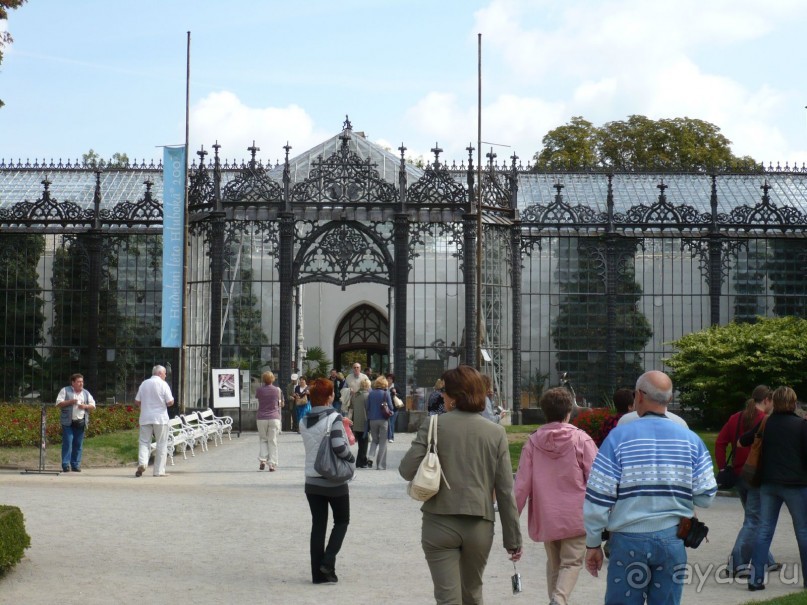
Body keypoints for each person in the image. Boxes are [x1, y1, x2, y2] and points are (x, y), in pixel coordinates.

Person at [583, 370, 716, 604]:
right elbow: (705, 496)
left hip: (627, 541)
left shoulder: (618, 438)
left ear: (639, 396)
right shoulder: (691, 440)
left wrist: (593, 543)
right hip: (672, 541)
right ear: (669, 399)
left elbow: (598, 497)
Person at [399, 365, 523, 604]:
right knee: (473, 593)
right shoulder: (496, 433)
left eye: (445, 391)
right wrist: (513, 540)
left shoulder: (433, 425)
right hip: (479, 523)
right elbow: (506, 491)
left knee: (447, 597)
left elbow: (406, 470)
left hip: (438, 521)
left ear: (455, 396)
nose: (442, 395)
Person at [514, 387, 598, 605]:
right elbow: (596, 481)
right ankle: (559, 600)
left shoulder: (532, 443)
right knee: (571, 563)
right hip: (576, 514)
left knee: (554, 563)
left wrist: (512, 517)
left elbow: (521, 485)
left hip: (547, 514)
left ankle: (556, 600)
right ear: (569, 411)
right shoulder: (582, 440)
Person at [746, 386, 807, 592]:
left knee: (764, 531)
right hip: (796, 484)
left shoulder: (767, 422)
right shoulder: (801, 425)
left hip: (768, 483)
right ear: (793, 402)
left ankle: (755, 579)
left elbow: (746, 440)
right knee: (803, 531)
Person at [716, 385, 778, 577]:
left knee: (753, 519)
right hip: (755, 476)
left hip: (738, 475)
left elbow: (720, 442)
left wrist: (723, 467)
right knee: (753, 520)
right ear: (767, 400)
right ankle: (736, 564)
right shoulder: (765, 421)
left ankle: (767, 560)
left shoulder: (736, 418)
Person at [300, 378, 355, 584]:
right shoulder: (334, 418)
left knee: (318, 526)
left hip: (312, 480)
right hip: (334, 481)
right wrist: (351, 459)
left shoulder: (303, 421)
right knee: (341, 521)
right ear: (330, 396)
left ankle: (317, 574)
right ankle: (328, 561)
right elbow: (340, 446)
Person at [134, 365, 175, 478]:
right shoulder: (163, 384)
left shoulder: (144, 384)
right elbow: (170, 402)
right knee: (161, 443)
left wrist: (146, 405)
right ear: (160, 373)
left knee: (144, 442)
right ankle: (158, 471)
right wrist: (165, 403)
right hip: (160, 418)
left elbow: (137, 401)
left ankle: (142, 463)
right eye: (165, 373)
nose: (165, 375)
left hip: (145, 417)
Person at [55, 373, 96, 472]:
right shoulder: (65, 390)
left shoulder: (86, 393)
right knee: (68, 443)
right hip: (68, 422)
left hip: (80, 422)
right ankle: (65, 464)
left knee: (78, 444)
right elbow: (58, 403)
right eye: (78, 382)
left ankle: (75, 465)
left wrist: (85, 406)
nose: (81, 384)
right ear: (73, 382)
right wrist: (71, 401)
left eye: (82, 381)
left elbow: (93, 406)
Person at [256, 371, 283, 472]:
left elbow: (258, 398)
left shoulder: (259, 390)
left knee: (263, 439)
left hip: (261, 417)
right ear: (273, 379)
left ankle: (263, 460)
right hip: (274, 417)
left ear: (263, 379)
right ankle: (272, 464)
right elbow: (279, 403)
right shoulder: (277, 390)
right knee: (273, 441)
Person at [365, 375, 393, 470]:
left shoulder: (371, 393)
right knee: (382, 442)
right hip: (383, 420)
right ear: (384, 384)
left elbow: (367, 407)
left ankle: (370, 457)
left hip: (372, 420)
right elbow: (391, 407)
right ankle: (380, 465)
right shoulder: (386, 393)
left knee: (374, 440)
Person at [346, 377, 371, 468]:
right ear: (367, 386)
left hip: (356, 421)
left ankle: (359, 461)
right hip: (364, 421)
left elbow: (351, 407)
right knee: (364, 443)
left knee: (361, 442)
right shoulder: (367, 396)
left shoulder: (355, 395)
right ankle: (362, 461)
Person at [386, 372, 398, 442]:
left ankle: (391, 437)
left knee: (391, 423)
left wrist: (395, 393)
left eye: (390, 378)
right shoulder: (384, 386)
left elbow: (401, 395)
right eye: (388, 378)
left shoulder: (395, 386)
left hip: (394, 408)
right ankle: (388, 436)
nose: (389, 379)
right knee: (387, 423)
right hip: (385, 408)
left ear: (393, 379)